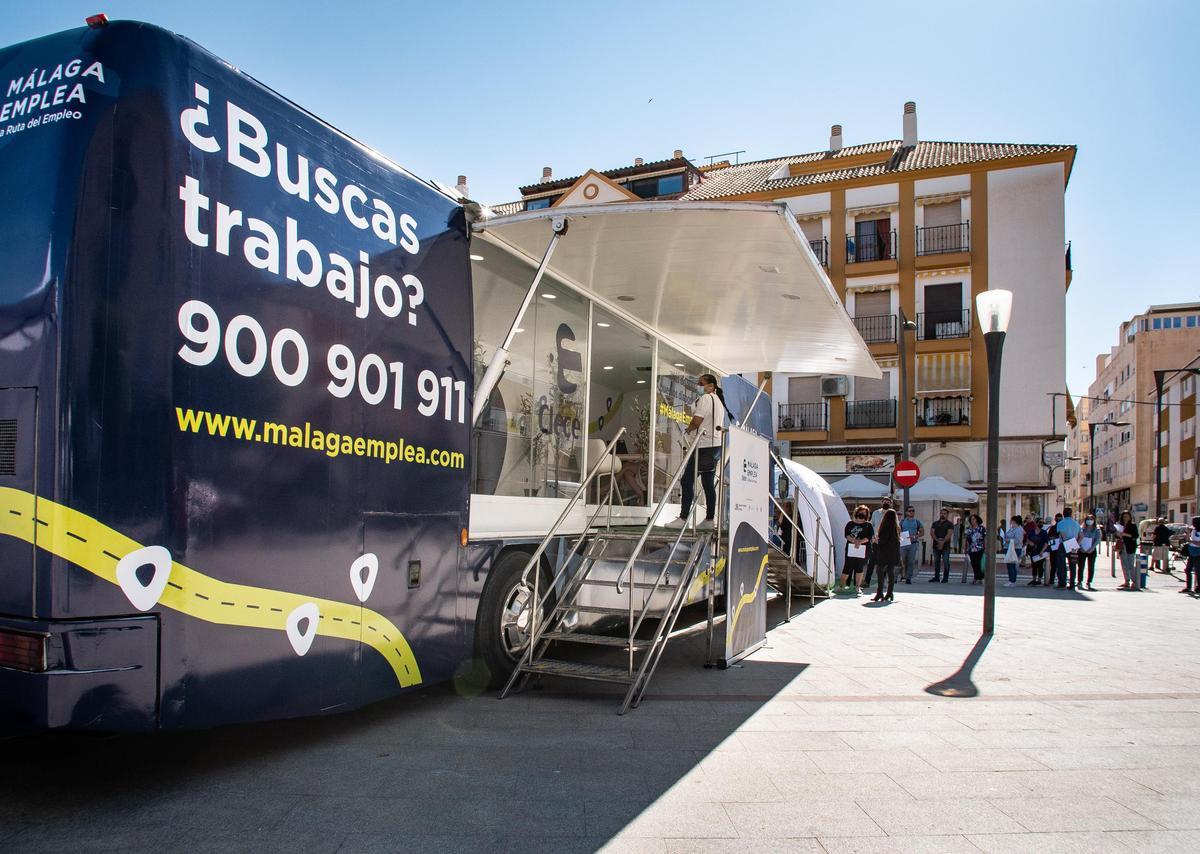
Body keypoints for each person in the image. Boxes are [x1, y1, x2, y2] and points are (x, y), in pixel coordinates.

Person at [667, 374, 725, 529]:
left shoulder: (707, 398)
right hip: (715, 446)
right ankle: (709, 519)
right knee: (707, 482)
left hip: (704, 446)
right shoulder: (719, 402)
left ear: (711, 386)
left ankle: (683, 518)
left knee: (687, 480)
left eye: (702, 383)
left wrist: (688, 429)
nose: (699, 386)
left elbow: (697, 420)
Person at [842, 505, 874, 593]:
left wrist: (859, 542)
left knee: (859, 568)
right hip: (850, 548)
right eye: (861, 512)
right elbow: (846, 535)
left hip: (863, 549)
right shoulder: (850, 524)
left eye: (864, 513)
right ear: (857, 512)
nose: (862, 514)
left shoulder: (868, 525)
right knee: (847, 567)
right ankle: (842, 585)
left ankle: (857, 587)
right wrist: (854, 541)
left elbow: (869, 537)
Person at [873, 508, 900, 602]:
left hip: (884, 552)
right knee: (890, 572)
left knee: (880, 572)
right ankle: (889, 593)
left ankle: (879, 593)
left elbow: (882, 541)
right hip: (893, 553)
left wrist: (876, 540)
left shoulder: (884, 527)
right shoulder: (896, 528)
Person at [865, 497, 893, 587]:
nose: (886, 503)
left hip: (886, 542)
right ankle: (867, 581)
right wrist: (872, 537)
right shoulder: (876, 513)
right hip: (875, 541)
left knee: (883, 563)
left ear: (891, 504)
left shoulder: (892, 514)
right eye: (885, 501)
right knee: (872, 562)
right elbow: (871, 525)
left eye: (888, 502)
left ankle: (882, 581)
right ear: (882, 503)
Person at [1057, 507, 1082, 589]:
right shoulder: (1076, 523)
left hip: (1063, 544)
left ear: (1063, 514)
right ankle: (1072, 583)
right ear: (1071, 514)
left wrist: (1066, 542)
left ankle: (1062, 583)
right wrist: (1076, 544)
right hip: (1073, 543)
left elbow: (1062, 534)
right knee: (1073, 564)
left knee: (1061, 564)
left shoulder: (1060, 523)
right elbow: (1081, 536)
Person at [1116, 510, 1141, 590]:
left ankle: (1134, 581)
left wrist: (1125, 534)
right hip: (1122, 547)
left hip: (1130, 547)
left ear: (1130, 517)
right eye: (1124, 517)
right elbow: (1117, 536)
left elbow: (1135, 536)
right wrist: (1118, 534)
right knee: (1124, 564)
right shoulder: (1120, 525)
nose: (1125, 518)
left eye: (1127, 516)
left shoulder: (1133, 525)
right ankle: (1126, 581)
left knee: (1130, 564)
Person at [928, 508, 954, 583]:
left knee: (946, 561)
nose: (942, 515)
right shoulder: (935, 523)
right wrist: (937, 541)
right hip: (936, 545)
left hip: (946, 546)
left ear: (947, 515)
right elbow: (932, 533)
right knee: (936, 561)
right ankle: (936, 577)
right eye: (941, 513)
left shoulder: (949, 524)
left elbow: (949, 534)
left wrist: (942, 542)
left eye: (944, 513)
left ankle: (945, 578)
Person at [1076, 514, 1101, 590]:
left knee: (1091, 566)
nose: (1089, 521)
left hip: (1092, 550)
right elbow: (1078, 538)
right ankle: (1079, 581)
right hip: (1082, 550)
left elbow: (1098, 539)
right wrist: (1080, 547)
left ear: (1094, 521)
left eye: (1091, 519)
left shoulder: (1097, 530)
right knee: (1081, 566)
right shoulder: (1081, 529)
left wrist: (1092, 548)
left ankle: (1089, 582)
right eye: (1088, 519)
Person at [899, 506, 923, 583]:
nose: (911, 512)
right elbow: (898, 531)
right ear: (906, 512)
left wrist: (915, 536)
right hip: (903, 543)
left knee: (911, 561)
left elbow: (922, 532)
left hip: (913, 543)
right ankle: (901, 576)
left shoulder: (917, 522)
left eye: (913, 511)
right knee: (902, 561)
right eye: (910, 511)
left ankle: (908, 578)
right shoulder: (902, 522)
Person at [1002, 515, 1026, 587]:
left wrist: (1008, 540)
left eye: (1011, 521)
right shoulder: (1012, 528)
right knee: (1009, 565)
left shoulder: (1019, 529)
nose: (1010, 522)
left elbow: (1018, 540)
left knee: (1011, 564)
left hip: (1014, 548)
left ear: (1015, 522)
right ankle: (1011, 579)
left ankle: (1012, 580)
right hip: (1009, 548)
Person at [1026, 518, 1050, 586]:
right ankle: (1034, 580)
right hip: (1033, 551)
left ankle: (1039, 580)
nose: (1041, 524)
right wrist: (1030, 543)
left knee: (1040, 566)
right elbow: (1027, 539)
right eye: (1040, 522)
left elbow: (1046, 543)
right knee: (1034, 565)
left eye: (1042, 522)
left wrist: (1042, 551)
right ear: (1036, 523)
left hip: (1040, 551)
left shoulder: (1044, 532)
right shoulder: (1032, 531)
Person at [965, 513, 986, 583]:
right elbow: (967, 539)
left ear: (977, 520)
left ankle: (981, 578)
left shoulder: (981, 528)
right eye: (971, 519)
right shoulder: (969, 529)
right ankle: (976, 577)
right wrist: (966, 549)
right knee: (974, 564)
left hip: (980, 548)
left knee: (979, 564)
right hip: (972, 549)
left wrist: (985, 548)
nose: (972, 521)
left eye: (973, 519)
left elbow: (985, 538)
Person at [1184, 516, 1200, 595]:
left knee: (1198, 571)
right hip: (1191, 552)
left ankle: (1198, 588)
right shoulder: (1193, 531)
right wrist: (1187, 534)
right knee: (1187, 570)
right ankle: (1188, 587)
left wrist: (1192, 541)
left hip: (1198, 553)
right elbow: (1188, 540)